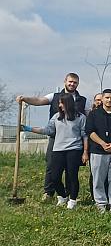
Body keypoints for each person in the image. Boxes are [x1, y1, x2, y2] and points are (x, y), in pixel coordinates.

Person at [16, 73, 88, 201]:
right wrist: (25, 99)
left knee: (71, 170)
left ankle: (70, 195)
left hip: (75, 141)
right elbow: (38, 101)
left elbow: (89, 116)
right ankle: (49, 193)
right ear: (65, 81)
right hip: (56, 138)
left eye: (75, 82)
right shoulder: (54, 97)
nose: (72, 84)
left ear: (78, 84)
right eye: (70, 81)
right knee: (52, 166)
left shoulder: (83, 100)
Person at [84, 89, 111, 214]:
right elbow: (90, 131)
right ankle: (100, 203)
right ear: (102, 99)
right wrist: (102, 143)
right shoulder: (93, 114)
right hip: (98, 151)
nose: (109, 100)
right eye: (107, 97)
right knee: (98, 179)